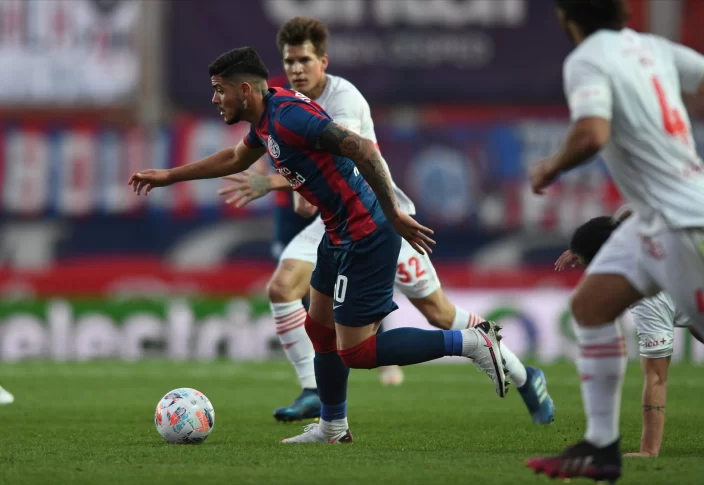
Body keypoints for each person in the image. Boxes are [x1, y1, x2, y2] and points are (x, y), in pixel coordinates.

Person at [129, 46, 509, 444]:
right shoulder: (266, 118)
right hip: (337, 231)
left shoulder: (289, 117)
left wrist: (393, 213)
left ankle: (472, 341)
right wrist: (169, 176)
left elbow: (361, 148)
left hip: (366, 231)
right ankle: (332, 428)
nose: (213, 99)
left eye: (218, 90)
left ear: (244, 90)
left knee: (357, 352)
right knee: (318, 327)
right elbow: (236, 158)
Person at [218, 16, 555, 425]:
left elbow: (342, 159)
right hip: (333, 223)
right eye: (289, 61)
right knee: (283, 287)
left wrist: (276, 182)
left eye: (304, 59)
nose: (296, 69)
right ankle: (314, 392)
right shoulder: (283, 102)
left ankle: (523, 374)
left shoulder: (345, 99)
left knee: (439, 313)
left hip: (378, 214)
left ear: (323, 61)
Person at [525, 0, 704, 481]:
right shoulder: (653, 47)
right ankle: (601, 446)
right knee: (591, 307)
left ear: (567, 19)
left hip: (687, 221)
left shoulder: (585, 59)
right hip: (649, 218)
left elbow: (593, 135)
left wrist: (549, 167)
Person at [556, 208, 704, 458]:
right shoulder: (650, 241)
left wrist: (648, 450)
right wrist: (586, 245)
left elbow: (657, 376)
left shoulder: (647, 295)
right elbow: (627, 215)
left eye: (588, 266)